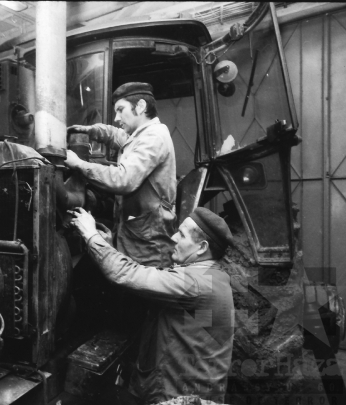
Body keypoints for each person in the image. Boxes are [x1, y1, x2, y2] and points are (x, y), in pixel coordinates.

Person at [68, 206, 235, 405]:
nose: (173, 238)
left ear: (201, 248)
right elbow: (147, 279)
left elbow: (128, 274)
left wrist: (90, 235)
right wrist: (108, 247)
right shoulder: (213, 276)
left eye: (181, 235)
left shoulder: (198, 283)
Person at [65, 82, 176, 267]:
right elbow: (116, 135)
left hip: (148, 245)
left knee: (138, 282)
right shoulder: (140, 134)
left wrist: (79, 164)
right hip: (136, 233)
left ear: (140, 106)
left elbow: (124, 179)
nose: (116, 118)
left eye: (120, 110)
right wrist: (90, 130)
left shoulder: (153, 137)